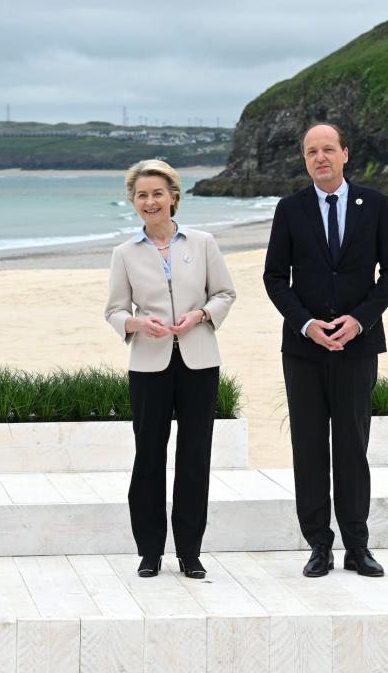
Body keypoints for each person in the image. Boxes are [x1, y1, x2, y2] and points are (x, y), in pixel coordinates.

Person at [264, 123, 388, 578]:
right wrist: (305, 324)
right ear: (304, 160)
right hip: (303, 350)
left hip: (357, 347)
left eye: (328, 149)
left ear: (345, 153)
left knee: (351, 446)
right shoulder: (290, 209)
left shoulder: (376, 205)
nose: (320, 157)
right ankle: (318, 546)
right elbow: (274, 277)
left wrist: (359, 320)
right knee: (308, 447)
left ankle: (357, 546)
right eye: (311, 151)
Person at [105, 159, 235, 579]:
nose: (150, 201)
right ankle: (149, 551)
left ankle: (190, 552)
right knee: (148, 457)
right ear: (133, 202)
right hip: (148, 363)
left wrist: (200, 316)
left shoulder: (202, 243)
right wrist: (136, 324)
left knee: (195, 456)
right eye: (141, 195)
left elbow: (225, 293)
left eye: (157, 193)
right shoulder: (124, 253)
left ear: (174, 197)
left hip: (199, 361)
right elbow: (114, 310)